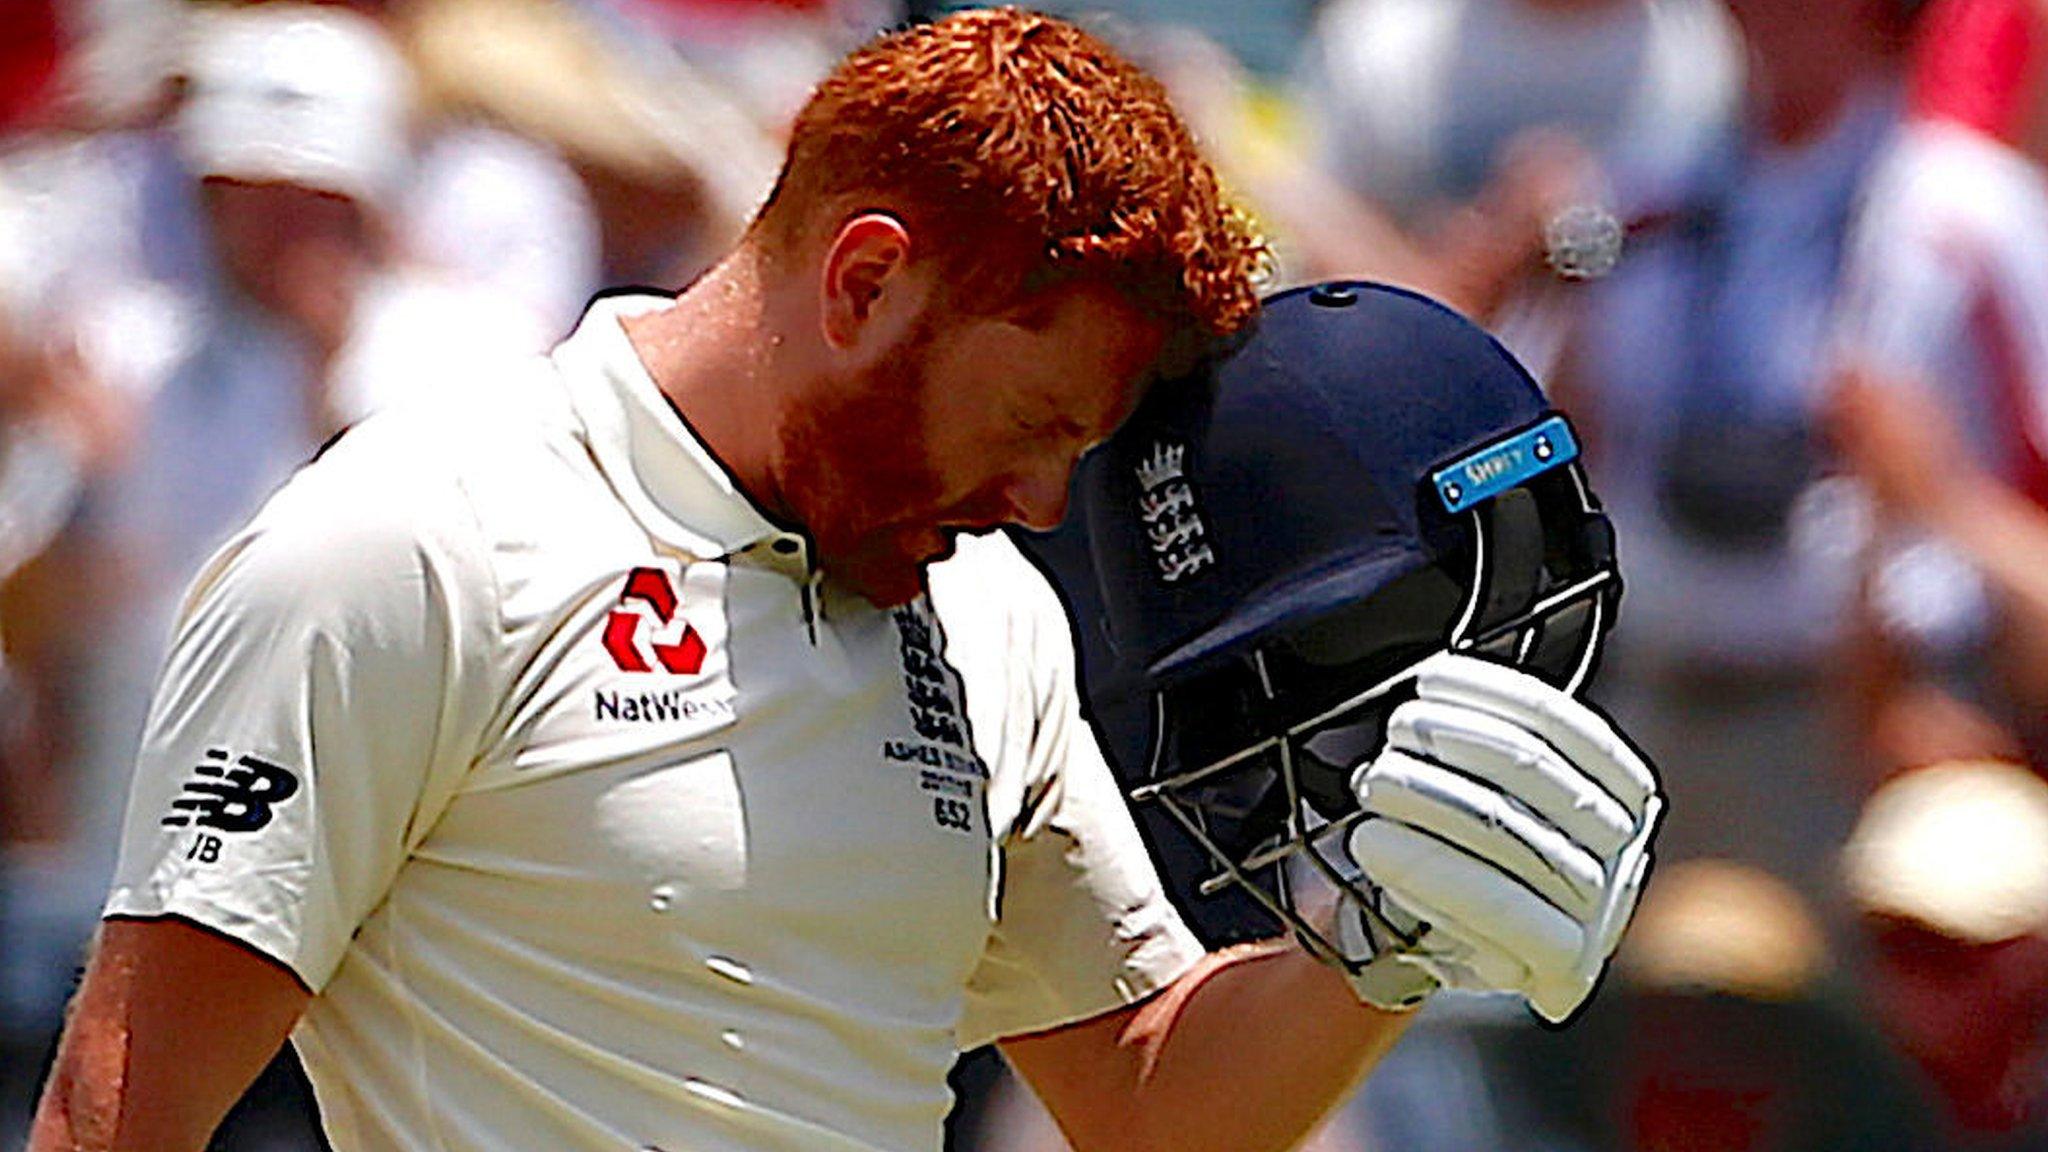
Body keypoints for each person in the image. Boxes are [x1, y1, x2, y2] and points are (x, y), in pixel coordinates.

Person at [28, 12, 1662, 1152]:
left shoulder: (992, 616)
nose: (1037, 499)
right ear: (868, 278)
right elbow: (117, 1113)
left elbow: (1154, 1102)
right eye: (1027, 426)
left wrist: (1377, 944)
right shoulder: (406, 543)